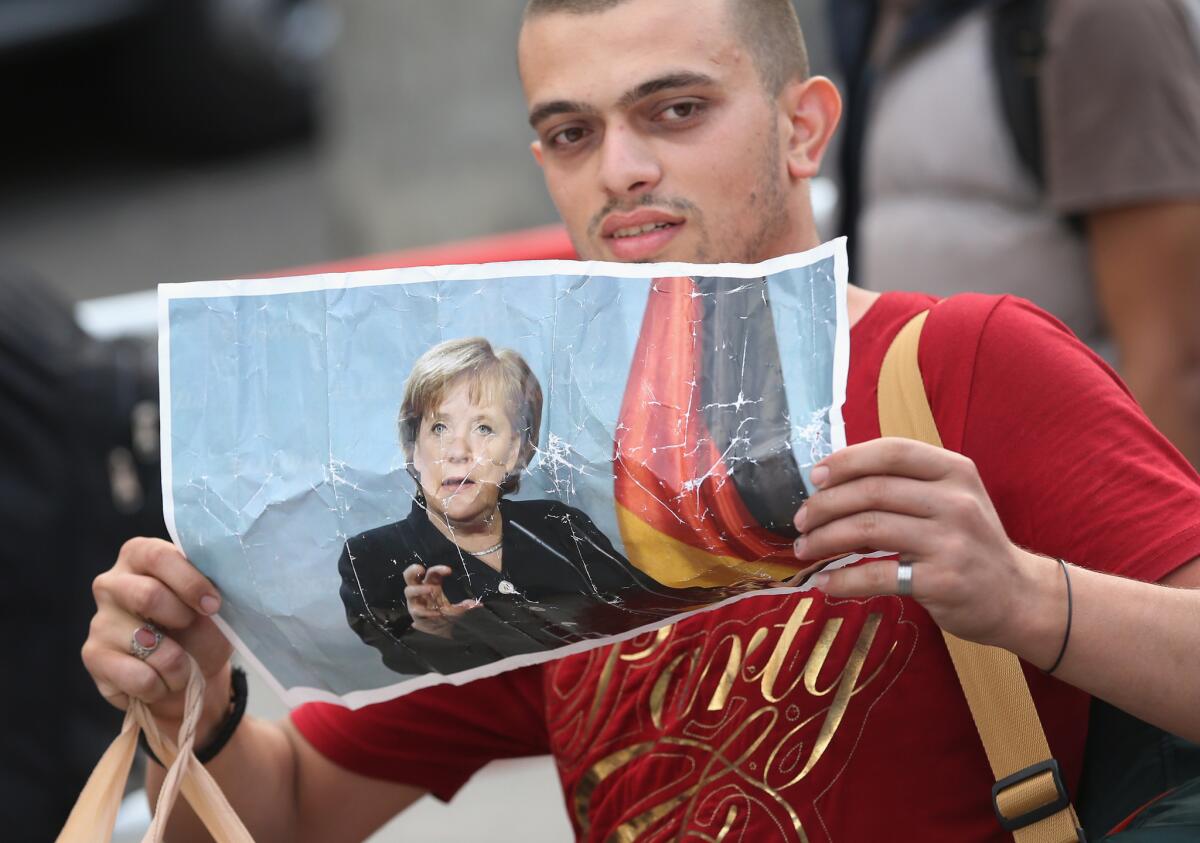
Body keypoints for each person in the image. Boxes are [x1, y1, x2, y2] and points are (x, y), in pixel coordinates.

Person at [81, 0, 1200, 839]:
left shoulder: (958, 365)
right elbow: (288, 811)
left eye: (675, 110)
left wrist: (1023, 597)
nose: (620, 168)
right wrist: (199, 706)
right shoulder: (545, 477)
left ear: (804, 129)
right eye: (571, 134)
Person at [831, 0, 1200, 469]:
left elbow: (1171, 361)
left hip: (1061, 502)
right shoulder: (870, 17)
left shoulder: (1107, 17)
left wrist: (1150, 538)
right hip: (915, 502)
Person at [339, 336, 707, 675]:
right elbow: (393, 670)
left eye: (483, 428)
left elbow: (650, 612)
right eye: (439, 428)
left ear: (514, 451)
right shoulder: (369, 556)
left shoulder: (559, 526)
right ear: (412, 449)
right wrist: (438, 635)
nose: (457, 451)